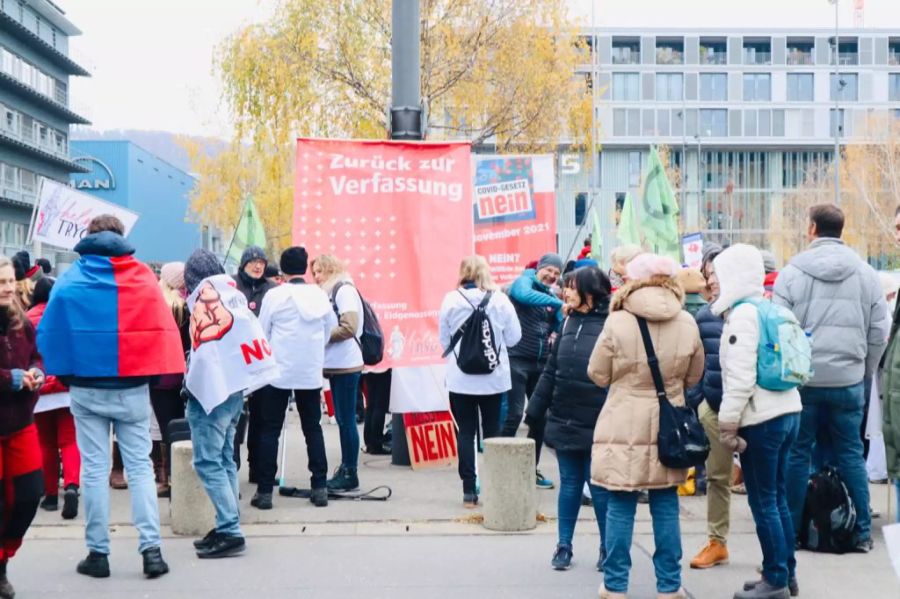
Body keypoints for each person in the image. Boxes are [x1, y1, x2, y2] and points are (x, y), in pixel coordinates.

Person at [37, 214, 185, 579]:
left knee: (95, 469)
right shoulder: (143, 278)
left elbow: (50, 331)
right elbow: (161, 330)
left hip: (86, 387)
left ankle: (98, 553)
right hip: (132, 387)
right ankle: (152, 551)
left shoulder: (71, 279)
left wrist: (67, 375)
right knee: (139, 468)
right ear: (121, 237)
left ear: (88, 238)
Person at [774, 204, 890, 553]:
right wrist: (863, 370)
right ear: (841, 230)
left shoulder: (791, 273)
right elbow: (878, 332)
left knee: (798, 453)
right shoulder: (866, 274)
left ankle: (794, 530)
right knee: (851, 454)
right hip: (849, 379)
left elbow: (780, 330)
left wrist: (790, 374)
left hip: (804, 381)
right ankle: (861, 533)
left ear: (811, 228)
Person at [588, 253, 704, 599]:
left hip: (623, 421)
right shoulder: (687, 321)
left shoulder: (618, 322)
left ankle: (615, 585)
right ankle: (669, 586)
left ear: (632, 282)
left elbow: (597, 373)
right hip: (669, 425)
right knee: (665, 504)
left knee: (621, 504)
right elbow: (694, 376)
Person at [713, 245, 802, 599]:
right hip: (789, 409)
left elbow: (738, 378)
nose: (714, 282)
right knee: (777, 497)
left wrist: (727, 424)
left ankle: (775, 580)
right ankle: (784, 571)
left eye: (718, 275)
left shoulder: (743, 316)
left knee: (763, 501)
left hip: (762, 418)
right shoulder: (772, 308)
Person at [525, 266, 610, 572]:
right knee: (570, 484)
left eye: (571, 287)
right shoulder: (569, 321)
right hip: (564, 417)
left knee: (597, 487)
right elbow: (551, 369)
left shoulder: (611, 324)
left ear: (589, 293)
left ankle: (607, 547)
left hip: (599, 421)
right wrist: (535, 409)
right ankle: (564, 545)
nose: (565, 292)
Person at [254, 247, 335, 510]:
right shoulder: (319, 296)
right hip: (310, 370)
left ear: (283, 270)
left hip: (279, 370)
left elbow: (263, 331)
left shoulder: (275, 296)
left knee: (270, 429)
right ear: (305, 268)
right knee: (313, 428)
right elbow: (328, 330)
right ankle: (320, 486)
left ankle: (265, 491)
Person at [182, 249, 249, 559]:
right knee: (224, 458)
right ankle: (227, 522)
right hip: (236, 389)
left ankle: (230, 528)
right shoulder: (233, 298)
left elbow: (203, 357)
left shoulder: (204, 305)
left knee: (208, 462)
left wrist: (190, 388)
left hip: (212, 395)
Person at [439, 256, 521, 507]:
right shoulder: (500, 300)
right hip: (493, 379)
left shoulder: (451, 300)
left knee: (466, 432)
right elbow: (514, 338)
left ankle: (468, 492)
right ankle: (495, 490)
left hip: (460, 379)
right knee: (493, 432)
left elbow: (444, 340)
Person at [685, 245, 735, 571]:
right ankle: (717, 541)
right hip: (714, 410)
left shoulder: (756, 312)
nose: (711, 281)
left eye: (716, 273)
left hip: (756, 413)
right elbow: (694, 365)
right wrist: (700, 403)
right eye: (708, 274)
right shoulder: (703, 316)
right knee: (717, 478)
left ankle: (778, 557)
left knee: (765, 486)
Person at [0, 256, 46, 599]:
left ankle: (3, 557)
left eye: (9, 281)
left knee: (30, 495)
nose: (7, 287)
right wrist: (11, 379)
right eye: (0, 282)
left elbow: (35, 356)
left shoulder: (22, 322)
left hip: (21, 422)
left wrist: (36, 372)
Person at [503, 252, 563, 490]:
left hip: (540, 364)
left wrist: (560, 314)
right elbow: (522, 295)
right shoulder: (524, 281)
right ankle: (502, 466)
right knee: (514, 415)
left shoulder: (550, 295)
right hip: (516, 360)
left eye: (557, 274)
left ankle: (531, 471)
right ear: (539, 268)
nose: (552, 276)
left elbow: (559, 321)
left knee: (539, 418)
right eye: (549, 270)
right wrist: (557, 301)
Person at [27, 277, 81, 520]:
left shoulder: (26, 320)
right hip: (65, 389)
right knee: (69, 441)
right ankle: (71, 486)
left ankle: (49, 496)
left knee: (46, 444)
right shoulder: (64, 317)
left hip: (38, 390)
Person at [314, 254, 365, 491]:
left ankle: (349, 471)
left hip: (346, 364)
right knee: (345, 420)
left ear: (330, 270)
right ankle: (347, 468)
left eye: (319, 272)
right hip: (340, 364)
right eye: (314, 273)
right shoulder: (336, 290)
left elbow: (349, 326)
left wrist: (321, 336)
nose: (316, 277)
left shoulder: (342, 290)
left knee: (346, 421)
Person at [233, 246, 276, 484]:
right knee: (236, 418)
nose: (258, 266)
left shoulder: (272, 289)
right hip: (237, 361)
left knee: (261, 417)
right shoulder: (232, 285)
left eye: (261, 262)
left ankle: (257, 467)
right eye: (253, 262)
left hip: (262, 361)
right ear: (243, 264)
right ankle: (233, 465)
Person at [149, 262, 190, 497]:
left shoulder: (158, 305)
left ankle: (167, 478)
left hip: (160, 374)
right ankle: (182, 476)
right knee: (183, 425)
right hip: (183, 373)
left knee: (164, 428)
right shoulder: (188, 305)